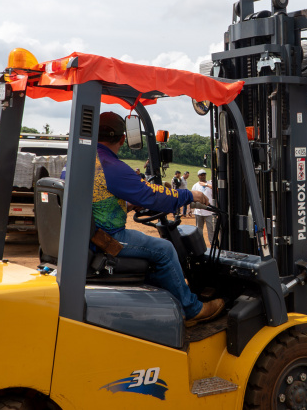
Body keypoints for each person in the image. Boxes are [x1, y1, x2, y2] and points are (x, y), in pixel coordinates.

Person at [92, 111, 224, 327]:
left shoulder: (83, 161)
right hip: (106, 238)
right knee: (165, 250)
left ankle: (165, 298)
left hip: (91, 235)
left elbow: (97, 201)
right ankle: (191, 309)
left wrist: (129, 204)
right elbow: (153, 195)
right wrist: (189, 195)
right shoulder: (111, 166)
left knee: (152, 250)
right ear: (124, 139)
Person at [192, 169, 215, 239]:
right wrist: (191, 209)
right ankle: (199, 245)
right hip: (199, 212)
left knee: (211, 230)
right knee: (199, 230)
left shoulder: (210, 184)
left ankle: (212, 244)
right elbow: (192, 197)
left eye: (204, 174)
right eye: (201, 175)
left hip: (209, 212)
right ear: (198, 176)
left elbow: (215, 192)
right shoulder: (195, 186)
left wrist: (206, 185)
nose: (203, 176)